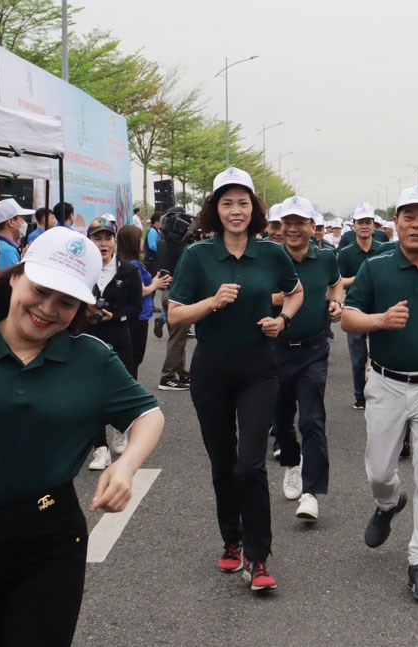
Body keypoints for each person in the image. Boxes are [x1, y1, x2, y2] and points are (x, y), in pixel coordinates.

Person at [0, 227, 163, 647]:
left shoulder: (92, 359)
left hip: (49, 539)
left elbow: (148, 415)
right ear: (15, 277)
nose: (47, 309)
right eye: (40, 289)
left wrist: (126, 466)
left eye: (66, 301)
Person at [167, 167, 304, 593]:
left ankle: (258, 557)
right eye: (227, 203)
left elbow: (296, 291)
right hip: (211, 369)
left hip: (258, 368)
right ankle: (232, 538)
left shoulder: (271, 253)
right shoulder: (197, 255)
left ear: (254, 208)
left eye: (242, 202)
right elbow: (175, 314)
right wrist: (211, 302)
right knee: (223, 462)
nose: (235, 210)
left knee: (251, 464)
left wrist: (282, 320)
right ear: (216, 210)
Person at [341, 183, 418, 602]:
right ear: (395, 223)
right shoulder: (375, 268)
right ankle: (388, 503)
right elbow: (348, 318)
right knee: (380, 472)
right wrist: (380, 320)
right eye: (409, 217)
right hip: (385, 383)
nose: (416, 225)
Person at [270, 196, 343, 521]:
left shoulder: (325, 257)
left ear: (312, 227)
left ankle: (311, 493)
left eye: (300, 222)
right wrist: (280, 298)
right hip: (275, 350)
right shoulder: (270, 258)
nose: (293, 229)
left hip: (314, 350)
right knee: (281, 420)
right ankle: (291, 463)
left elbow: (335, 284)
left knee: (312, 420)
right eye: (287, 222)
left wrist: (337, 303)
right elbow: (256, 295)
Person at [83, 217, 143, 468]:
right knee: (91, 394)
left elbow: (136, 306)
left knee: (121, 389)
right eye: (97, 238)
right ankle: (100, 448)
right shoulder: (82, 269)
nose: (103, 244)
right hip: (88, 339)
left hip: (119, 338)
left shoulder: (128, 271)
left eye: (108, 238)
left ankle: (121, 429)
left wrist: (115, 315)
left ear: (115, 242)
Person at [337, 207, 385, 410]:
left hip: (379, 306)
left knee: (382, 354)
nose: (364, 226)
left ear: (373, 225)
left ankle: (381, 394)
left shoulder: (383, 249)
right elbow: (338, 283)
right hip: (355, 307)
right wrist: (361, 277)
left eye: (368, 222)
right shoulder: (346, 253)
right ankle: (360, 395)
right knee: (358, 358)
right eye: (360, 222)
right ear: (353, 226)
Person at [117, 225, 171, 380]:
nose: (142, 241)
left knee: (133, 359)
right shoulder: (132, 265)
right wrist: (155, 285)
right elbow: (139, 291)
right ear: (132, 242)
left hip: (140, 316)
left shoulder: (130, 262)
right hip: (137, 317)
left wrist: (154, 281)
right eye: (140, 238)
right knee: (133, 359)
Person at [156, 208, 194, 389]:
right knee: (177, 339)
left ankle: (182, 373)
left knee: (177, 337)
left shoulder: (161, 243)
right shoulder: (183, 249)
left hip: (166, 293)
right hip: (177, 296)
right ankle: (167, 377)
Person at [0, 199, 33, 302]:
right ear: (11, 222)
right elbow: (13, 288)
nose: (24, 223)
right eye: (22, 218)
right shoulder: (6, 251)